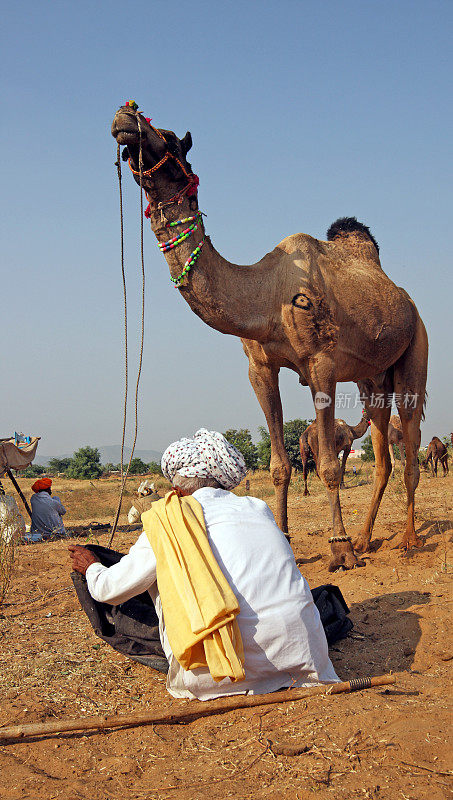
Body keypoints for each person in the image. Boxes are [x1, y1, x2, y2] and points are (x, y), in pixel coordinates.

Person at [69, 429, 338, 701]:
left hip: (220, 678)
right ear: (222, 481)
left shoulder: (166, 520)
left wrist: (91, 566)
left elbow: (107, 591)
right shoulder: (257, 508)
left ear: (175, 489)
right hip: (303, 659)